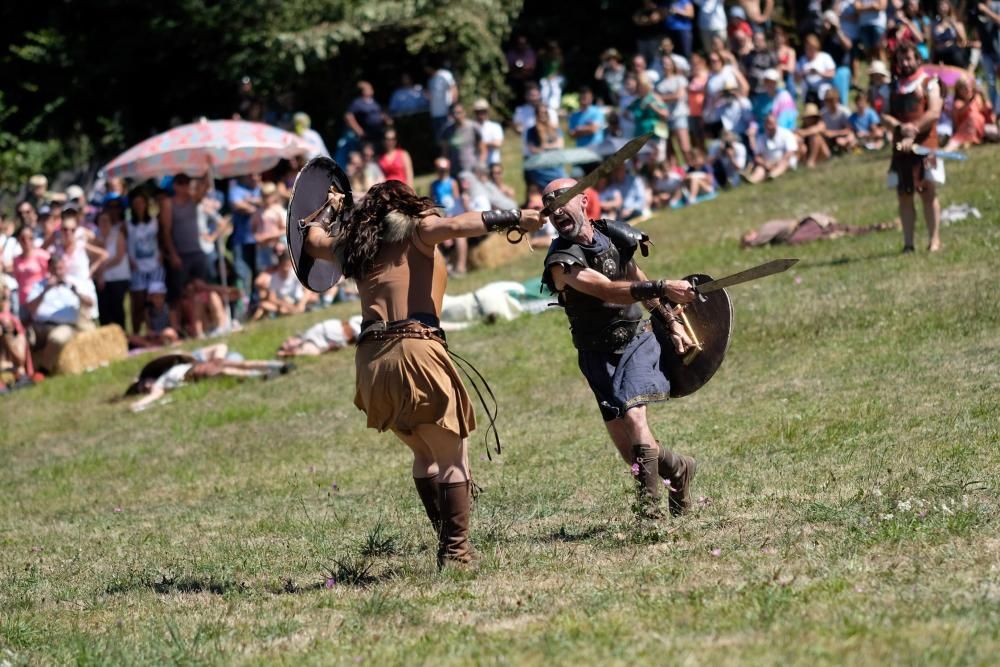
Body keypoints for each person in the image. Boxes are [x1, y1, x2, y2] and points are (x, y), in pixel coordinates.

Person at [302, 180, 543, 568]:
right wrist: (516, 217)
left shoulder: (352, 247)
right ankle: (456, 552)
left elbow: (312, 241)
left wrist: (327, 209)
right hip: (414, 349)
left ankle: (446, 538)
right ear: (408, 207)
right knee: (453, 459)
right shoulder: (418, 230)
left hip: (371, 361)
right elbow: (462, 225)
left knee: (424, 452)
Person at [539, 177, 698, 518]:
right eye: (549, 206)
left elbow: (636, 278)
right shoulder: (561, 262)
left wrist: (671, 323)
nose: (556, 210)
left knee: (634, 415)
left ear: (584, 200)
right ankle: (681, 469)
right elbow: (609, 290)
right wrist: (665, 285)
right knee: (634, 454)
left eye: (562, 200)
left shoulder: (614, 235)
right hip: (595, 354)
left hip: (636, 340)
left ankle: (649, 518)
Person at [882, 42, 945, 252]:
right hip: (901, 147)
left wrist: (915, 128)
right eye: (902, 60)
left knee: (927, 192)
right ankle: (908, 244)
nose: (906, 63)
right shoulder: (893, 87)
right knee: (904, 194)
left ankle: (934, 240)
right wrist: (900, 127)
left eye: (909, 59)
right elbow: (885, 116)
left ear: (918, 59)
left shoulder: (929, 83)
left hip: (925, 145)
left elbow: (934, 111)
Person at [126, 343, 292, 412]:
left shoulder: (169, 369)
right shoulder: (160, 385)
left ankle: (277, 366)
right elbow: (154, 396)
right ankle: (269, 373)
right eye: (142, 389)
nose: (146, 386)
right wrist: (138, 404)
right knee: (229, 371)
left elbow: (218, 347)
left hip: (197, 367)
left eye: (144, 383)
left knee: (241, 365)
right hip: (193, 374)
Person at [26, 254, 97, 373]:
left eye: (60, 268)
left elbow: (90, 303)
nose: (58, 272)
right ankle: (25, 371)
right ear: (49, 270)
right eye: (54, 269)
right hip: (41, 326)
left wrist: (76, 293)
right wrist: (45, 291)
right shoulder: (40, 285)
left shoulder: (74, 283)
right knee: (25, 338)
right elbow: (31, 308)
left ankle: (43, 371)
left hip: (65, 326)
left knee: (56, 339)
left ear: (65, 268)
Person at [160, 173, 210, 305]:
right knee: (179, 292)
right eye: (182, 183)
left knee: (201, 287)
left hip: (197, 251)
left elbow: (204, 189)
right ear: (175, 186)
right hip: (181, 254)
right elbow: (166, 231)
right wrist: (173, 254)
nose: (185, 186)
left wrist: (205, 172)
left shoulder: (193, 200)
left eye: (187, 182)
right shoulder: (168, 204)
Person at [94, 208, 131, 329]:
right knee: (104, 311)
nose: (104, 223)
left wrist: (102, 269)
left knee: (117, 310)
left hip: (118, 278)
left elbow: (119, 257)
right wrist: (99, 275)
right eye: (102, 221)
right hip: (102, 280)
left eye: (107, 221)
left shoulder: (118, 235)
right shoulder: (95, 237)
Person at [252, 251, 307, 320]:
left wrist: (302, 304)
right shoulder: (274, 277)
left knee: (312, 297)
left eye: (288, 265)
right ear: (279, 265)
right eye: (284, 266)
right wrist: (286, 305)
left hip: (298, 300)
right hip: (283, 303)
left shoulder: (296, 272)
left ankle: (292, 311)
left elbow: (307, 290)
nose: (286, 269)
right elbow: (272, 297)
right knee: (264, 305)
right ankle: (253, 321)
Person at [745, 114, 799, 183]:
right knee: (760, 169)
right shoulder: (761, 138)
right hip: (767, 163)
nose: (769, 126)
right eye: (767, 124)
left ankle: (772, 176)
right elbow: (757, 156)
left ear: (776, 123)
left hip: (783, 161)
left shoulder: (786, 134)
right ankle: (752, 180)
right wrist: (765, 164)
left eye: (771, 123)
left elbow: (790, 152)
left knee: (783, 164)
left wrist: (778, 163)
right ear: (765, 125)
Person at [945, 76, 992, 149]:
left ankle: (972, 141)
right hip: (963, 131)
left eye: (969, 86)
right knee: (973, 117)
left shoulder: (977, 98)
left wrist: (984, 97)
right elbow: (962, 110)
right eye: (964, 88)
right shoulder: (958, 103)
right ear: (958, 91)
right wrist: (971, 99)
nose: (967, 89)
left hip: (982, 128)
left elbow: (987, 111)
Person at [278, 317, 361, 358]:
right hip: (346, 331)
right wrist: (288, 354)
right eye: (287, 344)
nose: (288, 339)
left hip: (348, 323)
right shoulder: (308, 345)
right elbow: (313, 352)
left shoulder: (303, 336)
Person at [441, 103, 484, 178]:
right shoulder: (447, 130)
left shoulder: (473, 127)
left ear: (464, 112)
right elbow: (445, 152)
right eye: (454, 113)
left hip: (471, 168)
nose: (456, 115)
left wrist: (480, 164)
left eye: (459, 112)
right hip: (454, 170)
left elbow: (483, 149)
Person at [795, 34, 836, 104]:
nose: (810, 50)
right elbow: (796, 78)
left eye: (811, 48)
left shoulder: (825, 57)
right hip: (808, 90)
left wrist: (819, 73)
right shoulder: (802, 60)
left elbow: (832, 74)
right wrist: (805, 72)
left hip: (823, 88)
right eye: (807, 48)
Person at [344, 81, 387, 146]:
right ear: (363, 91)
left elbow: (379, 113)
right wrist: (358, 130)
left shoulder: (374, 101)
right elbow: (348, 116)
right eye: (369, 88)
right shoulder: (357, 103)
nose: (371, 90)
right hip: (366, 135)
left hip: (377, 133)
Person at [930, 0, 967, 67]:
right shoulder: (934, 25)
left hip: (953, 53)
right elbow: (932, 44)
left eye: (944, 5)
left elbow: (963, 41)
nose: (942, 7)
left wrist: (954, 25)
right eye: (940, 5)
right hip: (940, 54)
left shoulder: (956, 22)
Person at [821, 86, 858, 152]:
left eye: (831, 100)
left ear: (837, 99)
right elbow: (823, 131)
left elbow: (849, 129)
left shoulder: (844, 111)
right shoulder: (823, 113)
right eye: (827, 100)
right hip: (829, 138)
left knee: (849, 137)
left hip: (842, 135)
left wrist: (835, 133)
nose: (829, 102)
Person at [427, 61, 458, 140]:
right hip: (435, 114)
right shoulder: (430, 80)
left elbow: (453, 89)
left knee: (450, 137)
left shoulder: (445, 74)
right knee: (440, 139)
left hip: (446, 112)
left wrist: (453, 108)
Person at [472, 99, 504, 167]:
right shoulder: (472, 127)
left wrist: (483, 144)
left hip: (493, 162)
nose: (481, 114)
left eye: (483, 111)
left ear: (487, 111)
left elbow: (498, 144)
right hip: (477, 163)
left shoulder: (495, 126)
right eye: (478, 112)